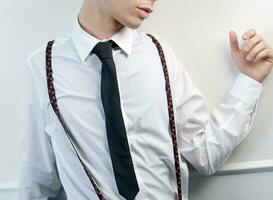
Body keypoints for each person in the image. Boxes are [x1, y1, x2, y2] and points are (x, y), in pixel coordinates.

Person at [19, 0, 273, 200]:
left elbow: (204, 155)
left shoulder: (159, 54)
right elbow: (38, 179)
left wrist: (249, 81)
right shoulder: (44, 65)